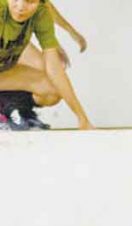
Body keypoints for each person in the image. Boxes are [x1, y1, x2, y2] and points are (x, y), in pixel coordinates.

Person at [0, 0, 90, 129]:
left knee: (52, 88)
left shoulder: (40, 12)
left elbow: (55, 71)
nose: (20, 7)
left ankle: (15, 109)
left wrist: (82, 118)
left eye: (30, 1)